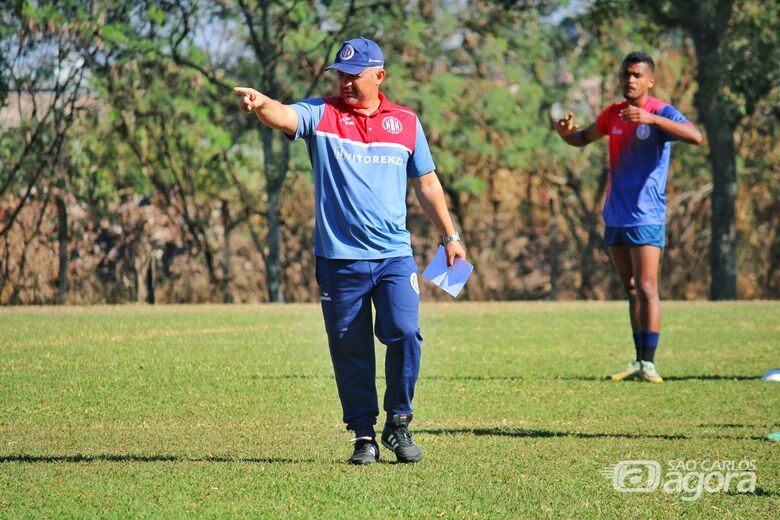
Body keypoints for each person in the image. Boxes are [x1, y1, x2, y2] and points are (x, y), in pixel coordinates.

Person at [233, 37, 466, 464]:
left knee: (405, 332)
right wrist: (262, 104)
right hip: (339, 258)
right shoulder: (322, 114)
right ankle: (363, 435)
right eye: (340, 75)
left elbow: (427, 183)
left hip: (394, 255)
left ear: (379, 75)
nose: (345, 83)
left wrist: (450, 236)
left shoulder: (406, 122)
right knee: (349, 348)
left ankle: (398, 422)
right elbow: (285, 116)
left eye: (353, 75)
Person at [555, 52, 701, 383]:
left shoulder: (660, 111)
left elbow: (695, 136)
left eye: (637, 75)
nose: (630, 80)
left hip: (646, 215)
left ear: (650, 80)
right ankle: (638, 360)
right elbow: (582, 138)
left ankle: (650, 362)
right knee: (631, 287)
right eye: (626, 74)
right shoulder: (614, 114)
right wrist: (564, 133)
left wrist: (653, 121)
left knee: (648, 286)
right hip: (616, 215)